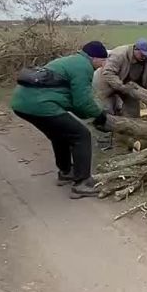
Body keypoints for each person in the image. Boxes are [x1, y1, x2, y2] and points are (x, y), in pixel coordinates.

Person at [10, 41, 111, 199]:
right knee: (81, 135)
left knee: (59, 134)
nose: (103, 65)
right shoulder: (83, 67)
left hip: (22, 102)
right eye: (103, 61)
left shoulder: (72, 61)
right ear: (95, 58)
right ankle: (82, 183)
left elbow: (73, 101)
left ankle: (66, 172)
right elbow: (82, 101)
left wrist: (91, 114)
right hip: (40, 104)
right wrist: (99, 115)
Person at [93, 38, 147, 149]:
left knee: (133, 110)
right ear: (135, 49)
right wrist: (121, 87)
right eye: (142, 54)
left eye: (146, 54)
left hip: (129, 85)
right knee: (106, 110)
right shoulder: (119, 54)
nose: (144, 57)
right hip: (106, 83)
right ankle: (103, 140)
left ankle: (130, 139)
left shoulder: (146, 58)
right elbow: (108, 73)